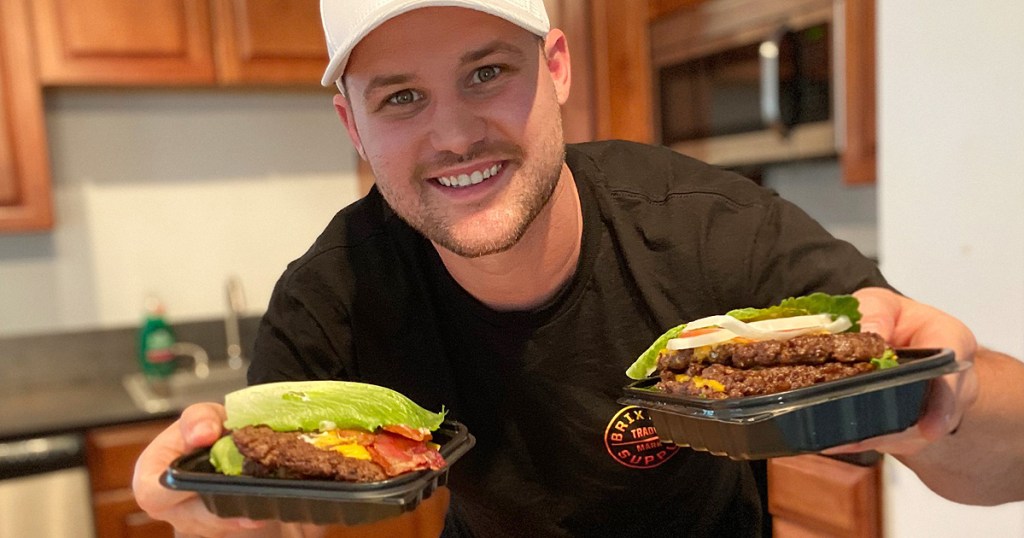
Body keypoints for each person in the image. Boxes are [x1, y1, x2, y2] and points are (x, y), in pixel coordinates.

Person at [131, 1, 1024, 536]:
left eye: (487, 72)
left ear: (555, 66)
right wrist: (202, 516)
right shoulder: (332, 297)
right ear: (353, 127)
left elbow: (1004, 464)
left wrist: (955, 399)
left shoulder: (712, 233)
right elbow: (259, 512)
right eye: (401, 97)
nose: (451, 135)